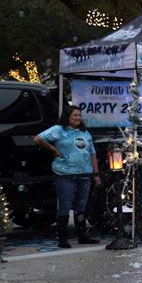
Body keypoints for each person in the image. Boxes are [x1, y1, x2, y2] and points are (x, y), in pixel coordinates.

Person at [34, 106, 101, 248]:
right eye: (74, 115)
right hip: (65, 174)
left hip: (84, 174)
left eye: (79, 115)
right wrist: (53, 149)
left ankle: (83, 235)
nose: (78, 117)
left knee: (81, 206)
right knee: (65, 206)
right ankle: (62, 238)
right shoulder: (59, 130)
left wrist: (96, 174)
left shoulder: (85, 133)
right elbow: (38, 138)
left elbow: (92, 154)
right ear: (67, 116)